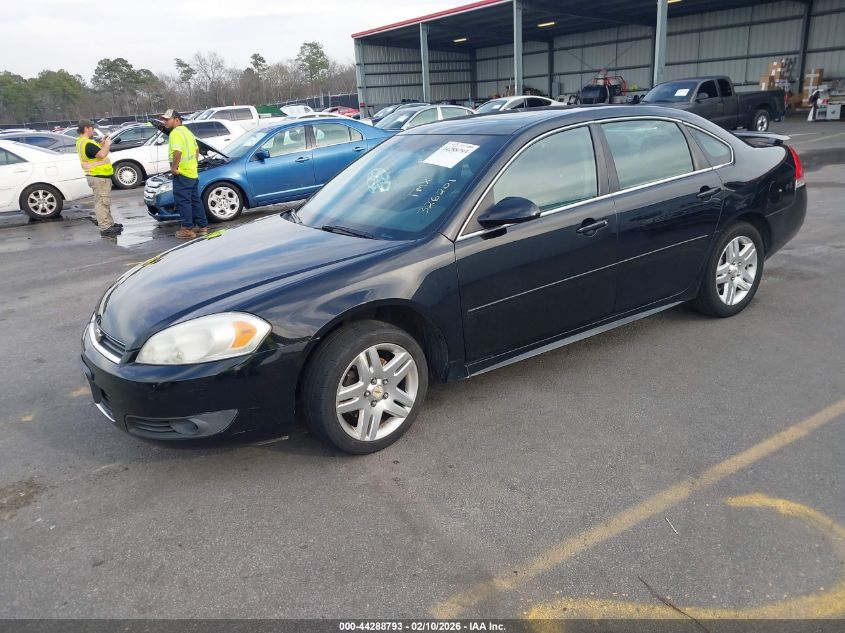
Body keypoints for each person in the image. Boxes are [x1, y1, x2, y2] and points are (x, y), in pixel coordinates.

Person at [161, 109, 208, 238]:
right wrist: (193, 164)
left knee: (183, 201)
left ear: (176, 120)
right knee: (195, 200)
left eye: (167, 119)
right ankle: (202, 227)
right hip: (192, 172)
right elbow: (197, 150)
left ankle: (187, 228)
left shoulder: (175, 133)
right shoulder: (187, 132)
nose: (164, 122)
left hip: (182, 173)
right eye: (164, 119)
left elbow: (177, 151)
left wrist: (174, 168)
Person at [75, 120, 122, 237]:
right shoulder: (87, 143)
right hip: (98, 177)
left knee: (103, 201)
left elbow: (95, 154)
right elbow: (101, 155)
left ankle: (109, 223)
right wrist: (107, 144)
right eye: (92, 128)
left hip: (96, 176)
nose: (93, 130)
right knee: (102, 202)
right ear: (86, 128)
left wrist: (102, 144)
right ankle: (105, 227)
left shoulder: (82, 142)